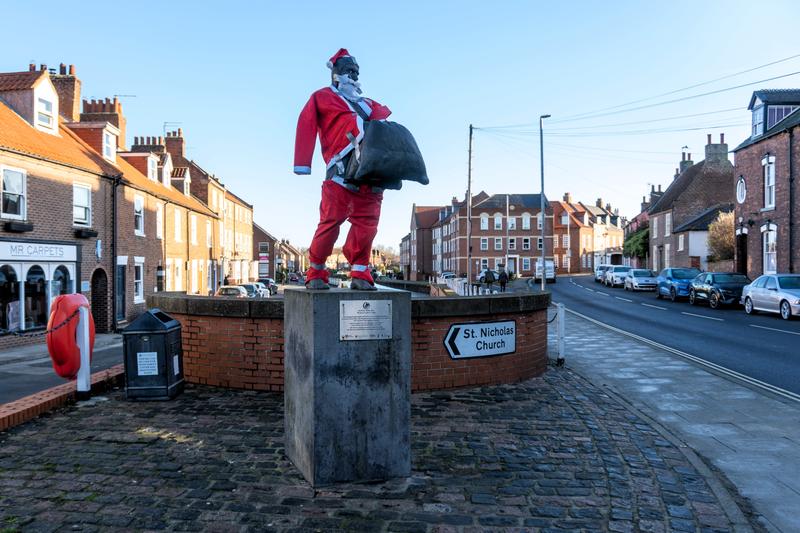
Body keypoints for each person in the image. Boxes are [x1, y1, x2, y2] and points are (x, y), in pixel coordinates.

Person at [294, 49, 391, 291]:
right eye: (348, 70)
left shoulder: (369, 105)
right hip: (338, 172)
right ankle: (316, 269)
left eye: (356, 71)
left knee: (367, 224)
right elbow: (305, 124)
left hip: (371, 175)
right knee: (330, 222)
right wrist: (302, 163)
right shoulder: (322, 97)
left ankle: (360, 272)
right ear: (336, 73)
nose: (353, 75)